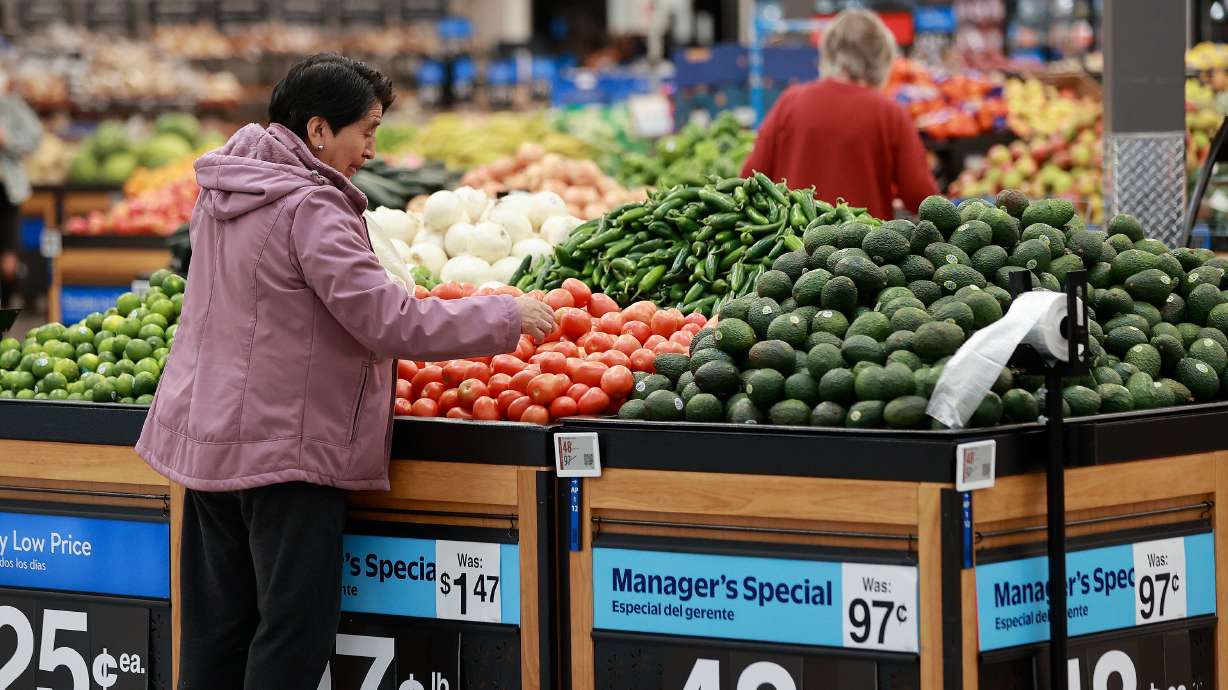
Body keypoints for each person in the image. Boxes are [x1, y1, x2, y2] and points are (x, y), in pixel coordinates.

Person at [134, 54, 554, 690]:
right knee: (293, 635)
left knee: (218, 631)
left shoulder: (225, 192)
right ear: (319, 130)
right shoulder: (311, 209)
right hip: (284, 453)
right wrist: (502, 316)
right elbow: (390, 323)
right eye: (367, 129)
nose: (372, 149)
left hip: (212, 441)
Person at [740, 9, 938, 219]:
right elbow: (922, 198)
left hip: (793, 245)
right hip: (863, 247)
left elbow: (750, 179)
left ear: (827, 52)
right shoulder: (890, 113)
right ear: (883, 58)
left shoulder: (790, 102)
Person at [0, 71, 41, 305]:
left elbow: (33, 138)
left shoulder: (12, 107)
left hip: (6, 193)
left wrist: (7, 141)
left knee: (8, 258)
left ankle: (6, 305)